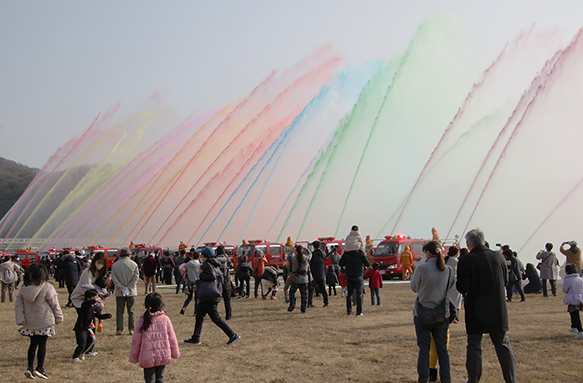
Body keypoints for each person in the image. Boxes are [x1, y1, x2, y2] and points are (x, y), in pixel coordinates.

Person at [457, 229, 517, 383]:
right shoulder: (498, 257)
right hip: (497, 307)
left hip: (475, 308)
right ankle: (511, 379)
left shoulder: (465, 260)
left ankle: (473, 379)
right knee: (502, 343)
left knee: (474, 345)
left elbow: (462, 286)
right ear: (484, 241)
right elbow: (505, 280)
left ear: (468, 243)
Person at [411, 240, 455, 383]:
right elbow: (451, 285)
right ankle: (446, 378)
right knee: (442, 350)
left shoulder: (422, 269)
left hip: (422, 313)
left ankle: (423, 378)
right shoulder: (448, 270)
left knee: (424, 350)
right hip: (441, 314)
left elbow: (414, 288)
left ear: (427, 253)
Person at [15, 263, 63, 380]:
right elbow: (54, 304)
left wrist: (20, 319)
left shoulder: (24, 288)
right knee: (42, 345)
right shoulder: (47, 287)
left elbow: (19, 306)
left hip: (30, 321)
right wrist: (58, 317)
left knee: (33, 344)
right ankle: (40, 368)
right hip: (44, 320)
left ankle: (30, 367)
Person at [184, 247, 240, 345]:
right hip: (211, 293)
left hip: (209, 295)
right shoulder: (215, 264)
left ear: (205, 256)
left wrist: (201, 275)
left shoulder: (207, 264)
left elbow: (212, 276)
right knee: (199, 316)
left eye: (202, 255)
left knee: (215, 318)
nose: (201, 256)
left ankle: (232, 335)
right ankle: (195, 337)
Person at [130, 292, 180, 383]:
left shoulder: (142, 321)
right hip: (162, 354)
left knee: (150, 379)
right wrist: (175, 353)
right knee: (160, 379)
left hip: (147, 356)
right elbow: (172, 338)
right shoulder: (165, 319)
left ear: (145, 306)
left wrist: (134, 357)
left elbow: (136, 341)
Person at [71, 289, 112, 363]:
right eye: (94, 298)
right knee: (82, 343)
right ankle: (75, 357)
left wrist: (107, 316)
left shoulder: (95, 308)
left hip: (88, 327)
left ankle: (84, 353)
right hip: (80, 327)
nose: (96, 299)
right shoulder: (84, 305)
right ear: (88, 298)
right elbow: (87, 303)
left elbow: (99, 316)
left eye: (96, 297)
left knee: (92, 340)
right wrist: (95, 301)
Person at [339, 232, 370, 316]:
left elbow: (340, 263)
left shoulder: (346, 253)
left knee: (349, 294)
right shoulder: (360, 254)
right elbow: (368, 264)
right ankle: (359, 311)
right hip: (358, 275)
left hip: (349, 275)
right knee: (359, 294)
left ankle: (349, 311)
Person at [111, 247, 140, 335]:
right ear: (129, 255)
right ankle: (131, 329)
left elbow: (114, 278)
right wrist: (129, 287)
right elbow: (136, 277)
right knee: (131, 311)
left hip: (119, 292)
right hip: (131, 292)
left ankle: (119, 329)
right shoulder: (133, 264)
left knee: (119, 311)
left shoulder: (115, 265)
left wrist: (122, 288)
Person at [287, 245, 311, 313]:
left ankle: (292, 305)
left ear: (296, 251)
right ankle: (304, 309)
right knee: (304, 295)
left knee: (292, 293)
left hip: (295, 279)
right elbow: (310, 253)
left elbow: (288, 257)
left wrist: (292, 250)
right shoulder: (306, 258)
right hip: (304, 279)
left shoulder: (293, 258)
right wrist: (305, 248)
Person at [562, 263, 583, 339]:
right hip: (581, 297)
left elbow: (565, 290)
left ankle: (580, 331)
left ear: (567, 271)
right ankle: (573, 327)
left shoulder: (568, 279)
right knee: (572, 312)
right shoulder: (580, 278)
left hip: (573, 298)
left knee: (575, 314)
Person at [309, 241, 329, 307]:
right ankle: (326, 302)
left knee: (311, 289)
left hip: (314, 274)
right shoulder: (323, 254)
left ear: (313, 247)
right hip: (321, 273)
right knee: (323, 289)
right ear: (320, 246)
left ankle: (309, 302)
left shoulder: (312, 254)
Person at [215, 245, 233, 319]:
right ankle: (228, 316)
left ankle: (215, 316)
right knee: (227, 300)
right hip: (226, 281)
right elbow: (231, 266)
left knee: (215, 300)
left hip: (217, 282)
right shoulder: (226, 259)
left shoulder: (215, 259)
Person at [180, 250, 200, 315]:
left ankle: (184, 307)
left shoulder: (188, 263)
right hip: (197, 282)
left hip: (190, 282)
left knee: (189, 297)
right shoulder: (199, 264)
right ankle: (195, 312)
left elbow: (184, 269)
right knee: (197, 299)